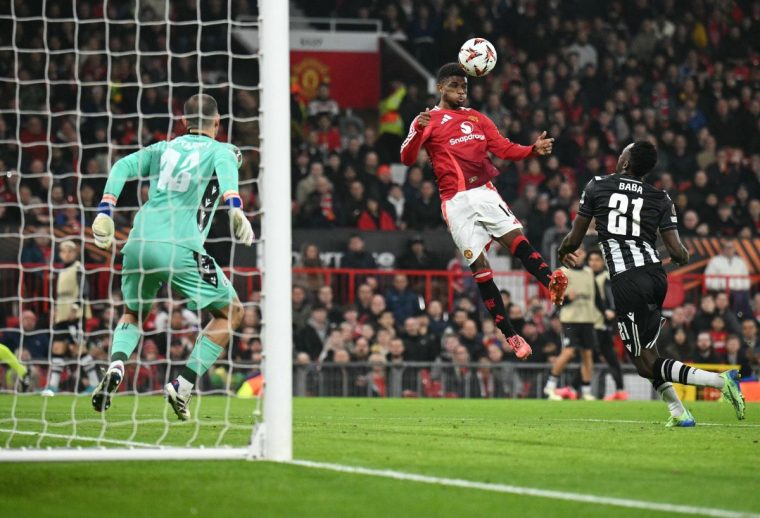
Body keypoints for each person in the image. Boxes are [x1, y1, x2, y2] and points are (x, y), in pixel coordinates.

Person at [558, 141, 745, 426]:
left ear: (625, 163)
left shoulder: (597, 186)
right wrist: (681, 258)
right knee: (648, 352)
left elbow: (574, 238)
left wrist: (562, 251)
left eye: (623, 152)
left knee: (644, 363)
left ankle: (720, 381)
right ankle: (679, 412)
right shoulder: (661, 197)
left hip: (627, 280)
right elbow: (679, 252)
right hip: (657, 278)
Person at [89, 94, 253, 420]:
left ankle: (117, 363)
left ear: (183, 122)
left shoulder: (162, 148)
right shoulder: (222, 150)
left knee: (133, 313)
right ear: (218, 123)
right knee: (231, 312)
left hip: (137, 242)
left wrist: (106, 208)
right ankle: (183, 384)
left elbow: (122, 165)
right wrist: (235, 207)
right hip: (182, 247)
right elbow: (229, 168)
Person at [400, 63, 567, 359]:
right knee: (480, 269)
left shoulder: (477, 118)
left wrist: (531, 149)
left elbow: (503, 148)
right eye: (455, 86)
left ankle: (549, 281)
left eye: (464, 86)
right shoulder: (428, 119)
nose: (461, 91)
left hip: (484, 192)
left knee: (516, 239)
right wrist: (417, 131)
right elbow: (406, 158)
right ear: (441, 88)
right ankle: (511, 335)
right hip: (455, 202)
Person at [43, 240, 100, 395]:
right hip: (62, 314)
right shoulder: (61, 271)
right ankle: (53, 386)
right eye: (63, 251)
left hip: (74, 314)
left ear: (75, 253)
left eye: (70, 251)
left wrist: (75, 307)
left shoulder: (77, 268)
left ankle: (95, 383)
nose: (66, 254)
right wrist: (56, 309)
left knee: (78, 348)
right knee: (57, 347)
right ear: (60, 254)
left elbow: (85, 289)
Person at [543, 246, 599, 401]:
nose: (579, 256)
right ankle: (550, 386)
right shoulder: (563, 272)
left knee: (588, 355)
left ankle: (586, 391)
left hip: (588, 318)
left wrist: (606, 312)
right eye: (576, 253)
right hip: (571, 319)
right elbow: (554, 298)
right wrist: (567, 298)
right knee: (568, 352)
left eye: (581, 253)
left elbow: (597, 297)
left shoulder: (589, 272)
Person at [588, 249, 627, 400]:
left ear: (603, 262)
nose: (593, 263)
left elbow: (610, 295)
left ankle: (575, 387)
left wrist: (610, 310)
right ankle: (620, 389)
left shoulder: (605, 277)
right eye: (591, 260)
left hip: (599, 324)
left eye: (597, 260)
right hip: (592, 322)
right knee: (608, 357)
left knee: (588, 355)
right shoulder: (589, 275)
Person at [704, 239, 751, 317]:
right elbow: (707, 279)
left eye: (731, 247)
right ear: (723, 249)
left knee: (743, 298)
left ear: (734, 249)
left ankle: (741, 318)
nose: (729, 250)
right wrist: (722, 285)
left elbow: (746, 280)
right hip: (720, 290)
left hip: (738, 290)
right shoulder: (715, 260)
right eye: (727, 247)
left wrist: (738, 287)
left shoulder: (740, 261)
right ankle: (730, 317)